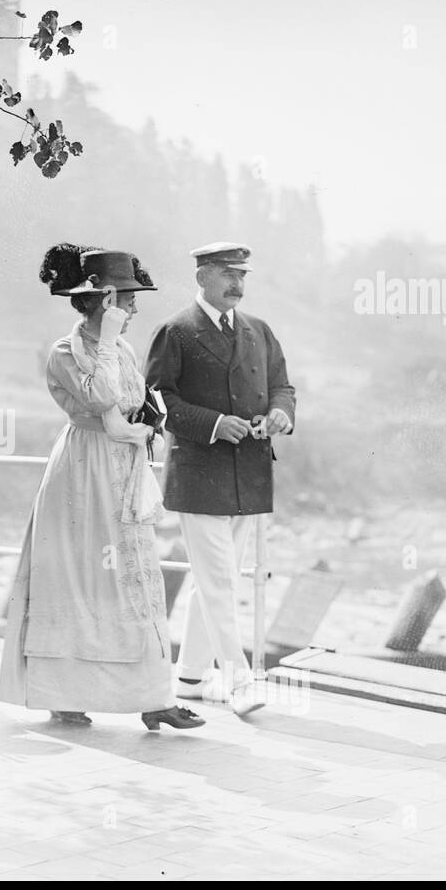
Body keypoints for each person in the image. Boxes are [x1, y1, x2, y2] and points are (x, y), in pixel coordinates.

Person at [0, 245, 205, 733]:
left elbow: (129, 402)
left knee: (134, 578)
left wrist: (145, 422)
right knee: (82, 579)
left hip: (124, 472)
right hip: (83, 474)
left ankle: (155, 697)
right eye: (127, 301)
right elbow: (102, 398)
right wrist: (108, 346)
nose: (133, 311)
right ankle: (66, 695)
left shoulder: (125, 349)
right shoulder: (66, 351)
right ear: (105, 299)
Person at [144, 242, 295, 717]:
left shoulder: (259, 331)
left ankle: (189, 677)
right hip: (199, 474)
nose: (237, 284)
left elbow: (282, 387)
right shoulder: (176, 331)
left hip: (248, 472)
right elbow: (158, 400)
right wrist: (213, 424)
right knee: (219, 582)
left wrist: (278, 415)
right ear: (202, 277)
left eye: (242, 275)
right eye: (227, 274)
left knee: (216, 580)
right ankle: (239, 678)